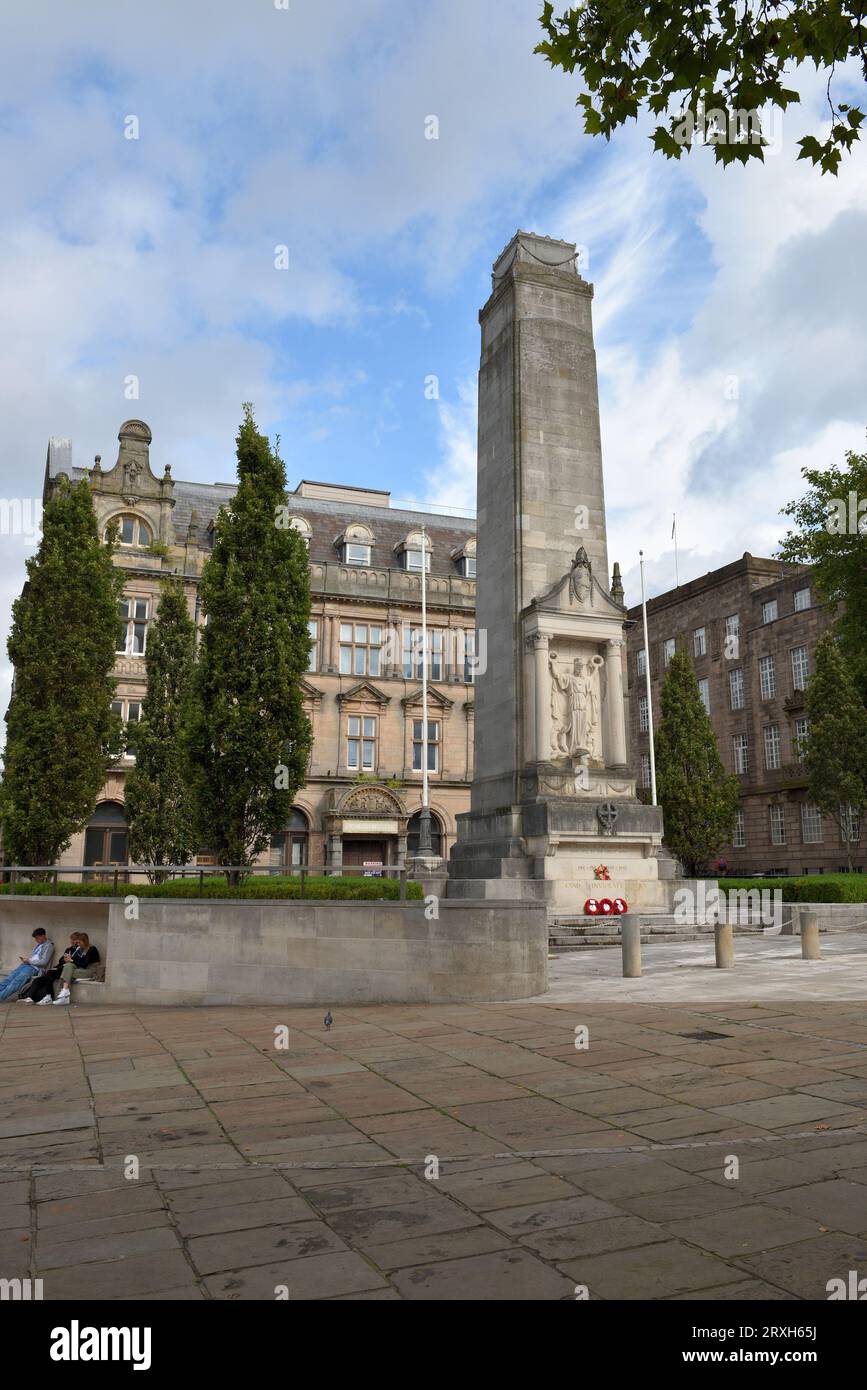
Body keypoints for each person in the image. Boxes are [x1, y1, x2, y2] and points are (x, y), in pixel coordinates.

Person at [19, 931, 82, 1005]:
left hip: (67, 970)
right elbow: (61, 960)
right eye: (71, 939)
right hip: (61, 967)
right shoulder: (69, 949)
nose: (72, 941)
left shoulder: (80, 950)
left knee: (49, 974)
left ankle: (49, 996)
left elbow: (80, 962)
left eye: (74, 940)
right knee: (38, 980)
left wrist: (71, 960)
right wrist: (65, 960)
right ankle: (29, 997)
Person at [0, 928, 55, 1001]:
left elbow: (44, 962)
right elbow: (35, 957)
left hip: (33, 969)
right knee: (9, 978)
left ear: (43, 936)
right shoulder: (39, 945)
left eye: (37, 938)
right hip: (26, 965)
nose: (36, 940)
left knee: (15, 982)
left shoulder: (49, 946)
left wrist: (29, 961)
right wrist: (27, 960)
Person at [48, 932, 100, 1006]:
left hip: (90, 971)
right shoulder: (80, 949)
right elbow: (77, 961)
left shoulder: (92, 949)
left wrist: (71, 960)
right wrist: (69, 959)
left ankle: (64, 996)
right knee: (67, 968)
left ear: (84, 941)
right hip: (80, 969)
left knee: (66, 972)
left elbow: (84, 964)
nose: (77, 944)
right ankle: (64, 993)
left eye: (79, 942)